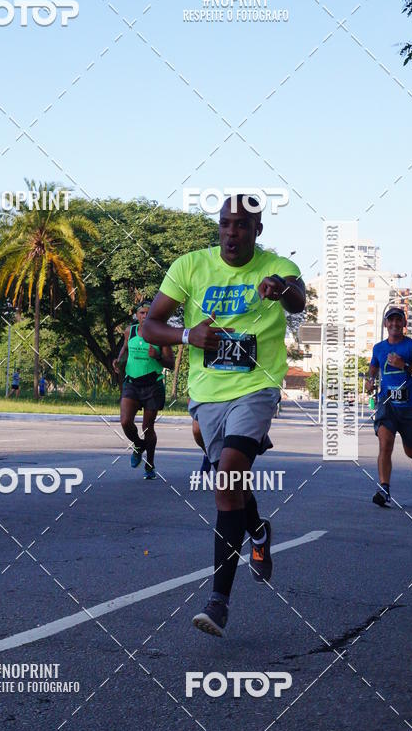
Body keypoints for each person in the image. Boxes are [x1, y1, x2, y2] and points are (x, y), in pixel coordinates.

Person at [143, 194, 305, 636]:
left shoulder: (277, 266)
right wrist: (185, 334)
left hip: (256, 386)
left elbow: (298, 302)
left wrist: (281, 288)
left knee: (227, 477)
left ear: (257, 230)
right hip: (208, 395)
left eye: (241, 225)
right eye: (224, 224)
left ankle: (218, 603)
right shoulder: (190, 266)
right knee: (233, 488)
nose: (231, 232)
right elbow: (149, 325)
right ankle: (257, 529)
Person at [366, 307, 412, 506]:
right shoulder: (378, 348)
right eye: (390, 320)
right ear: (385, 324)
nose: (394, 324)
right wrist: (369, 380)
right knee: (385, 445)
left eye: (398, 320)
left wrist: (405, 366)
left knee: (410, 449)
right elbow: (374, 366)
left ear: (404, 324)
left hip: (410, 407)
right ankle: (384, 489)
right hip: (388, 404)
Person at [113, 300, 175, 479]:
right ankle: (138, 445)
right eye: (142, 313)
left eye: (149, 313)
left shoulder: (160, 335)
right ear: (137, 316)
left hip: (152, 385)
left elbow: (170, 363)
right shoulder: (129, 331)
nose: (145, 316)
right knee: (125, 422)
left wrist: (158, 357)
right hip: (131, 383)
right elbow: (125, 350)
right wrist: (118, 361)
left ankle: (150, 464)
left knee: (148, 427)